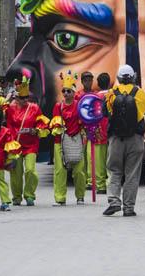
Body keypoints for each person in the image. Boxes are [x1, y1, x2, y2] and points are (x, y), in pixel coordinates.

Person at [103, 64, 145, 217]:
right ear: (133, 77)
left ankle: (114, 202)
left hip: (116, 139)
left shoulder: (111, 93)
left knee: (114, 171)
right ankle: (129, 208)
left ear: (118, 78)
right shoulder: (139, 92)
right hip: (135, 139)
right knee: (132, 174)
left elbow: (105, 113)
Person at [5, 75, 47, 206]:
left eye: (26, 97)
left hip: (31, 144)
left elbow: (42, 122)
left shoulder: (34, 107)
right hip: (16, 144)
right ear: (16, 97)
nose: (24, 100)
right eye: (21, 97)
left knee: (30, 170)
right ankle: (16, 196)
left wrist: (37, 130)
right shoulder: (10, 108)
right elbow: (8, 125)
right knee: (16, 173)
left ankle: (29, 194)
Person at [51, 72, 86, 206]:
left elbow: (84, 121)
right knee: (60, 170)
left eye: (68, 91)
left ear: (73, 92)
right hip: (60, 141)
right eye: (64, 91)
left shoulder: (79, 105)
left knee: (79, 171)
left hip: (77, 139)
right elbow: (55, 125)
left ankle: (80, 196)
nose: (65, 93)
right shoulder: (58, 106)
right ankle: (60, 197)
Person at [89, 72, 110, 194]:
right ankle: (110, 183)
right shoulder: (113, 95)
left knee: (98, 160)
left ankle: (101, 185)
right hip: (112, 131)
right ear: (109, 83)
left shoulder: (94, 97)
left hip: (98, 132)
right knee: (111, 159)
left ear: (98, 83)